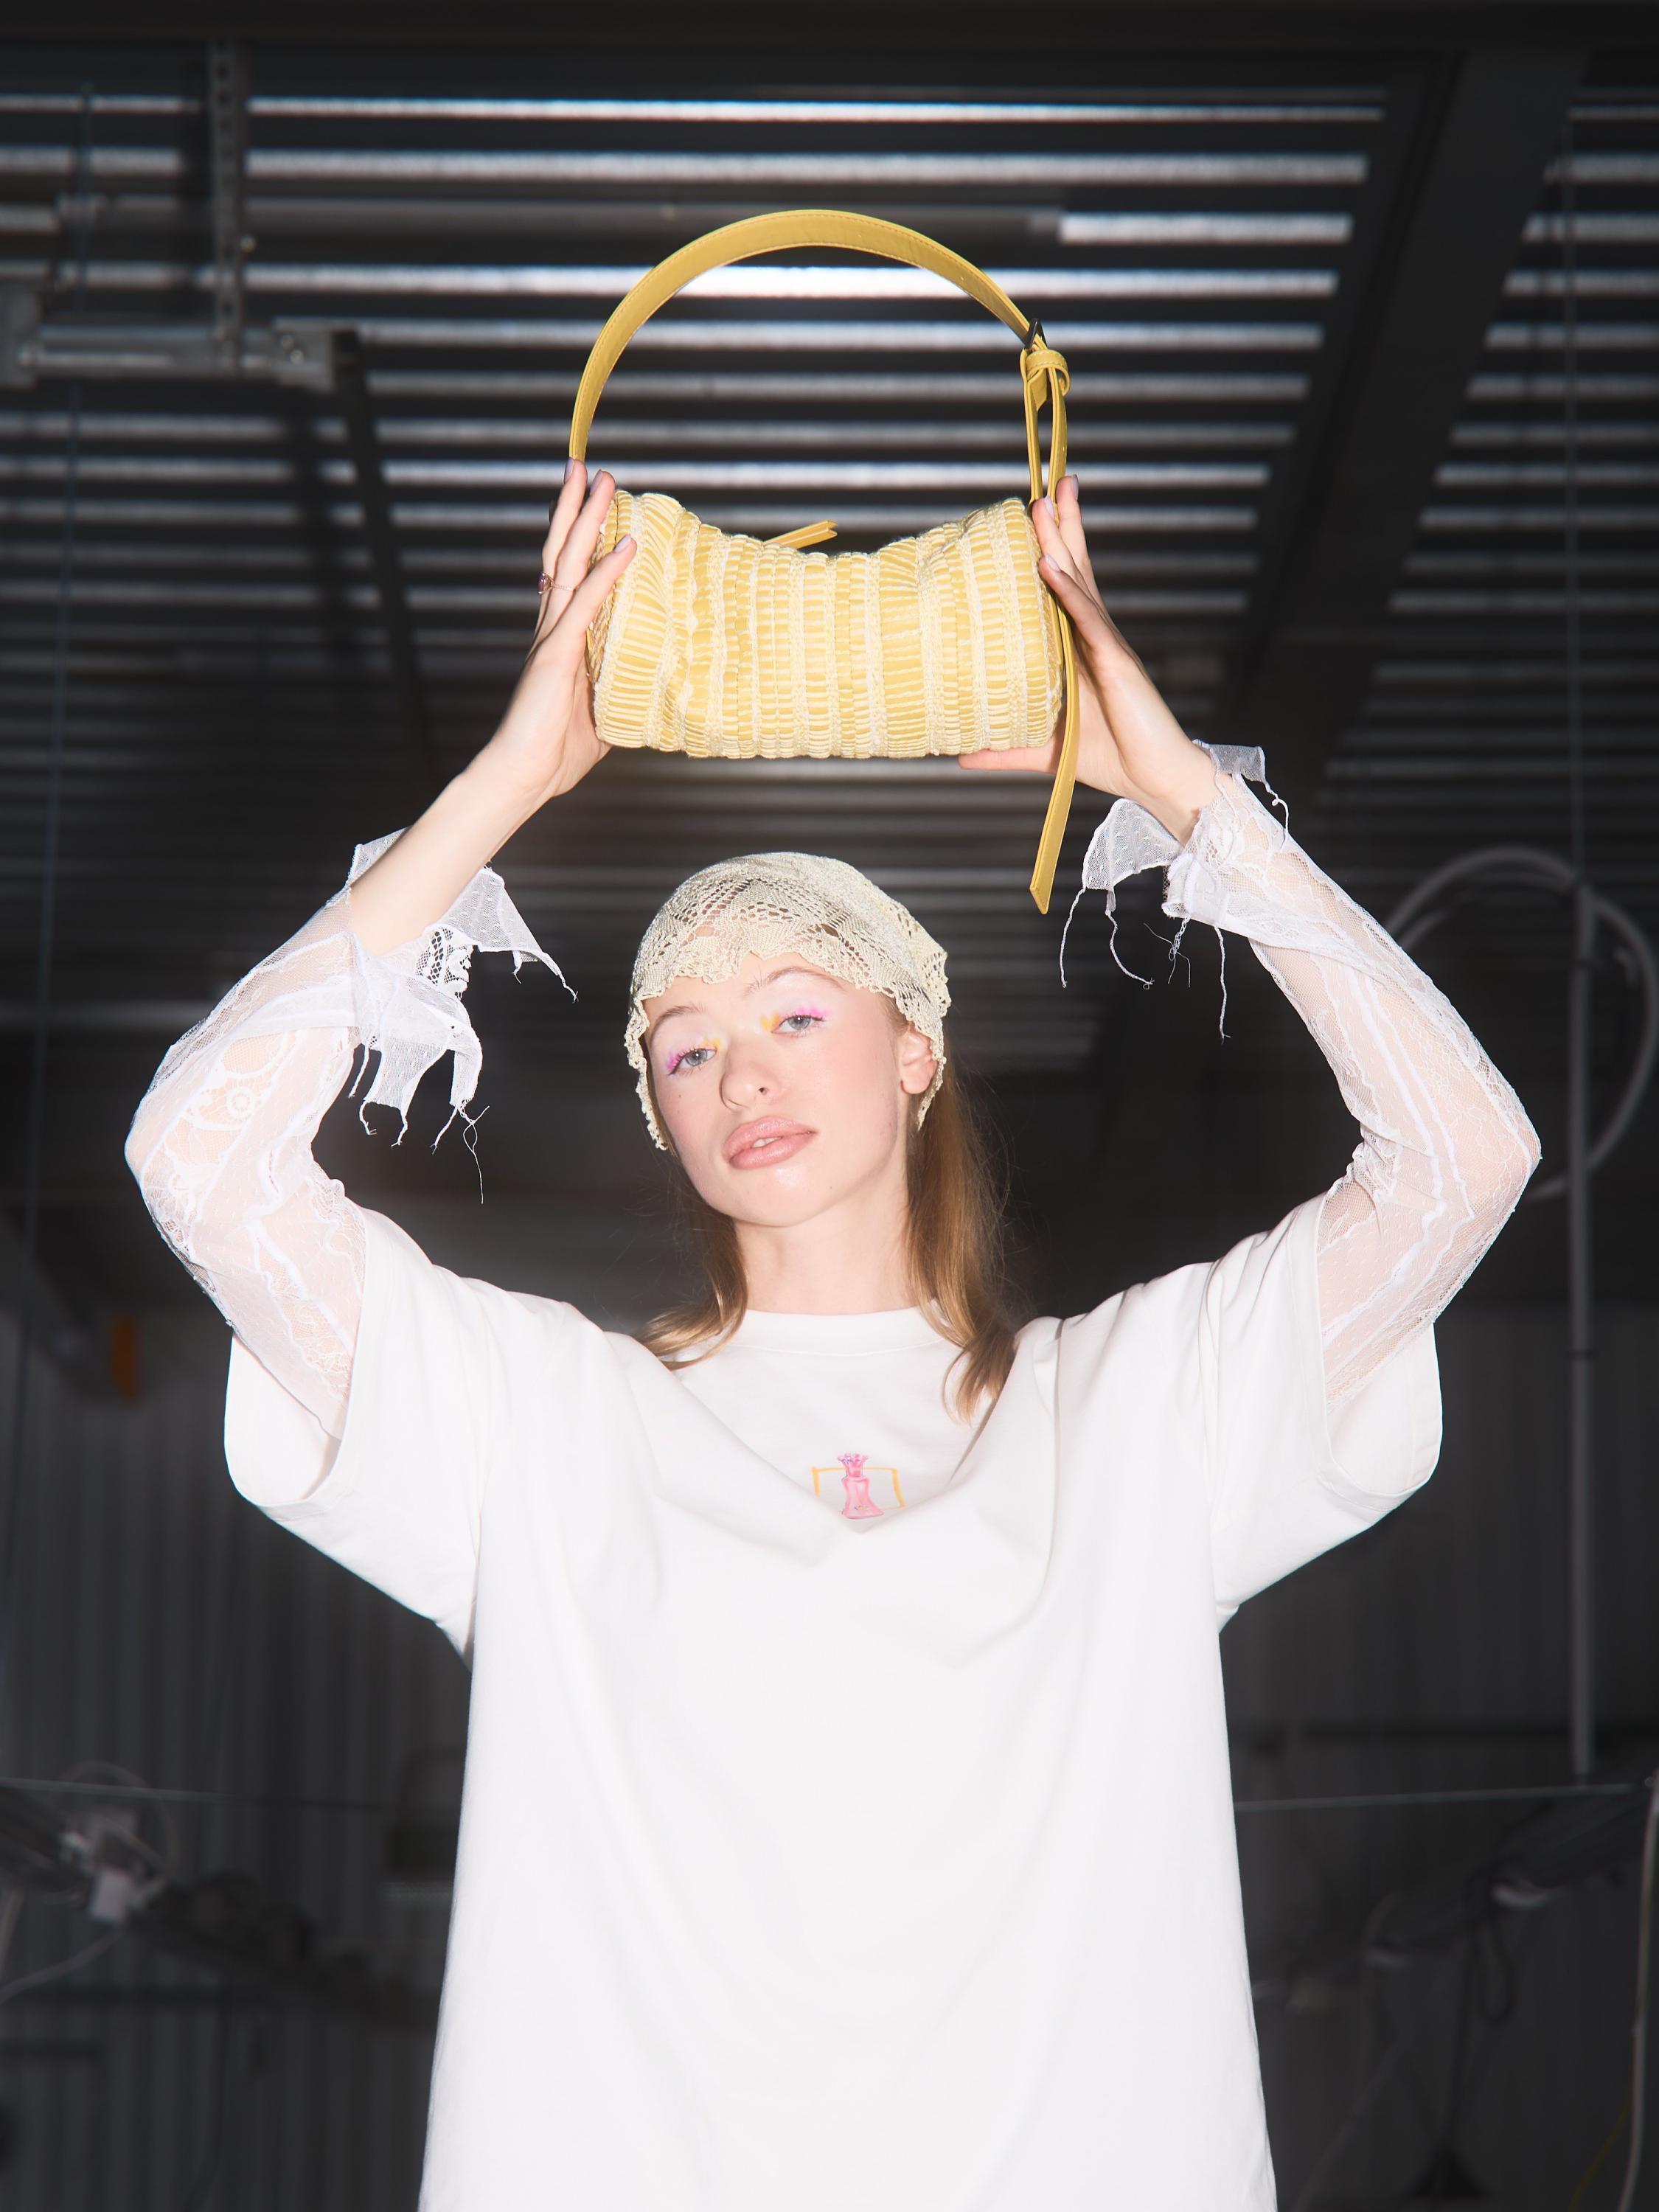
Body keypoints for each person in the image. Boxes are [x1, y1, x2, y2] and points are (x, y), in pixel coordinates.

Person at [125, 462, 1540, 2211]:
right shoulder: (540, 1420)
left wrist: (1187, 800)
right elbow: (196, 1162)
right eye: (687, 1046)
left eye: (797, 1012)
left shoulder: (1137, 1408)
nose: (745, 1071)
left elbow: (1466, 1159)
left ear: (917, 1049)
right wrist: (501, 789)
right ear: (660, 1115)